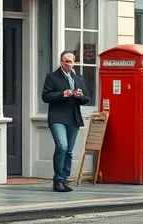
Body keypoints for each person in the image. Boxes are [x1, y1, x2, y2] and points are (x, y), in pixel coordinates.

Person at [41, 51, 91, 192]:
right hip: (57, 117)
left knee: (68, 150)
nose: (68, 64)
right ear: (61, 62)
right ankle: (57, 180)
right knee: (62, 146)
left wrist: (80, 96)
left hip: (73, 118)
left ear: (74, 62)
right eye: (65, 61)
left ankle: (64, 178)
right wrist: (62, 94)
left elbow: (86, 99)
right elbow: (45, 96)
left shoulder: (78, 78)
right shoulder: (52, 77)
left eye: (70, 61)